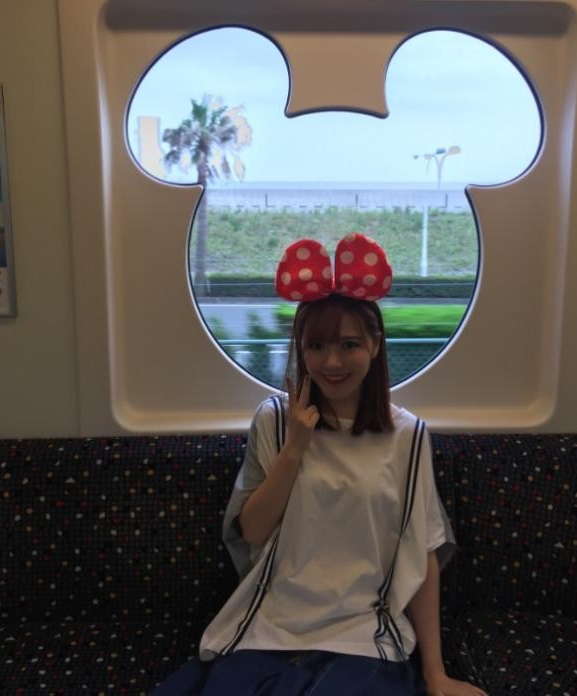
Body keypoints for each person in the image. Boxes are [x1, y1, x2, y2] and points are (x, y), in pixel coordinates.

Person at [152, 234, 487, 696]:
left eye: (349, 344)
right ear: (300, 349)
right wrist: (296, 448)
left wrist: (435, 674)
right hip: (272, 625)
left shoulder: (408, 436)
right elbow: (252, 531)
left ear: (375, 345)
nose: (332, 362)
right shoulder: (274, 420)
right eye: (317, 346)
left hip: (363, 633)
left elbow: (422, 555)